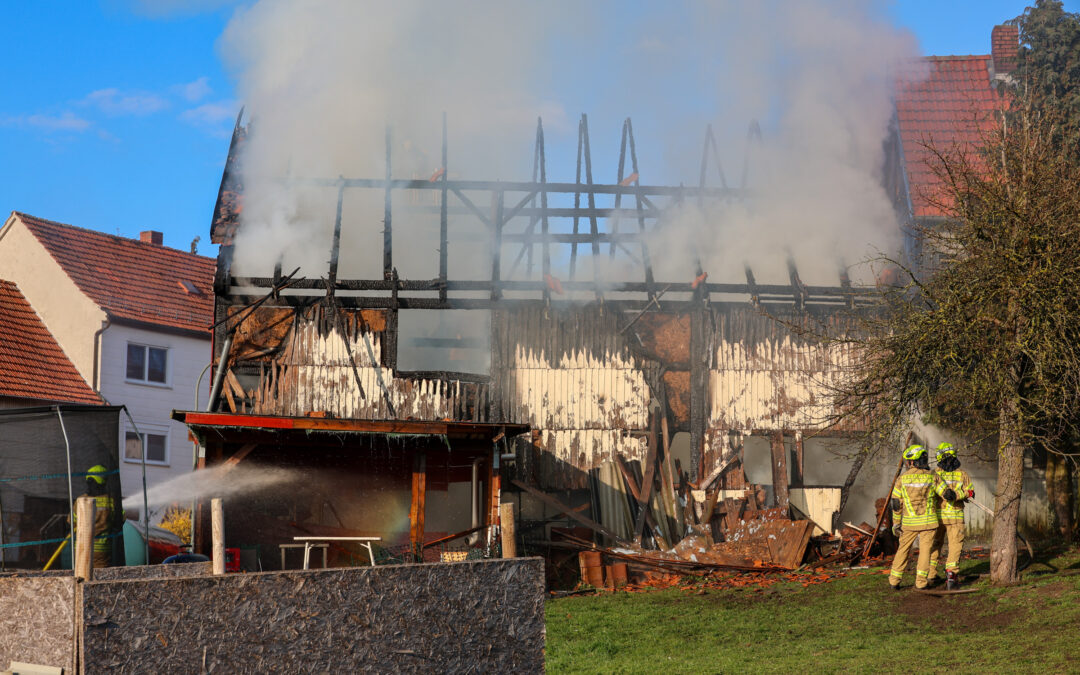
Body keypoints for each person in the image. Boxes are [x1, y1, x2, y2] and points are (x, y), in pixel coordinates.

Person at [888, 444, 948, 590]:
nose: (908, 464)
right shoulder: (933, 476)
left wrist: (896, 523)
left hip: (909, 523)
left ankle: (894, 581)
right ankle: (921, 582)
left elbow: (896, 504)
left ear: (913, 462)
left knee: (903, 550)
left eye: (908, 462)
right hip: (928, 523)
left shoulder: (902, 478)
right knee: (925, 551)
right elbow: (946, 494)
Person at [927, 443, 974, 590]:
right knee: (954, 546)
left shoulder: (934, 474)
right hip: (953, 518)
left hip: (938, 517)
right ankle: (951, 576)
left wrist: (956, 495)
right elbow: (971, 492)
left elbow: (971, 492)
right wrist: (959, 495)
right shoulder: (962, 474)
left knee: (935, 544)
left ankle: (930, 575)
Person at [73, 465, 116, 568]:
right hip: (102, 550)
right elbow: (119, 520)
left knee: (81, 576)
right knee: (99, 578)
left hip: (81, 547)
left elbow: (72, 521)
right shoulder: (111, 501)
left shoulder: (80, 500)